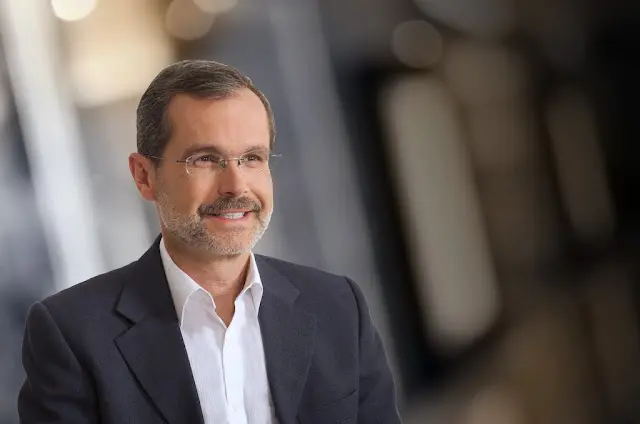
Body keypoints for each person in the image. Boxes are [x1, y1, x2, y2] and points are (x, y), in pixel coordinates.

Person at [17, 60, 401, 424]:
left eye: (251, 158)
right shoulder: (72, 334)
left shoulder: (338, 307)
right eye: (204, 159)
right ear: (145, 176)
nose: (236, 186)